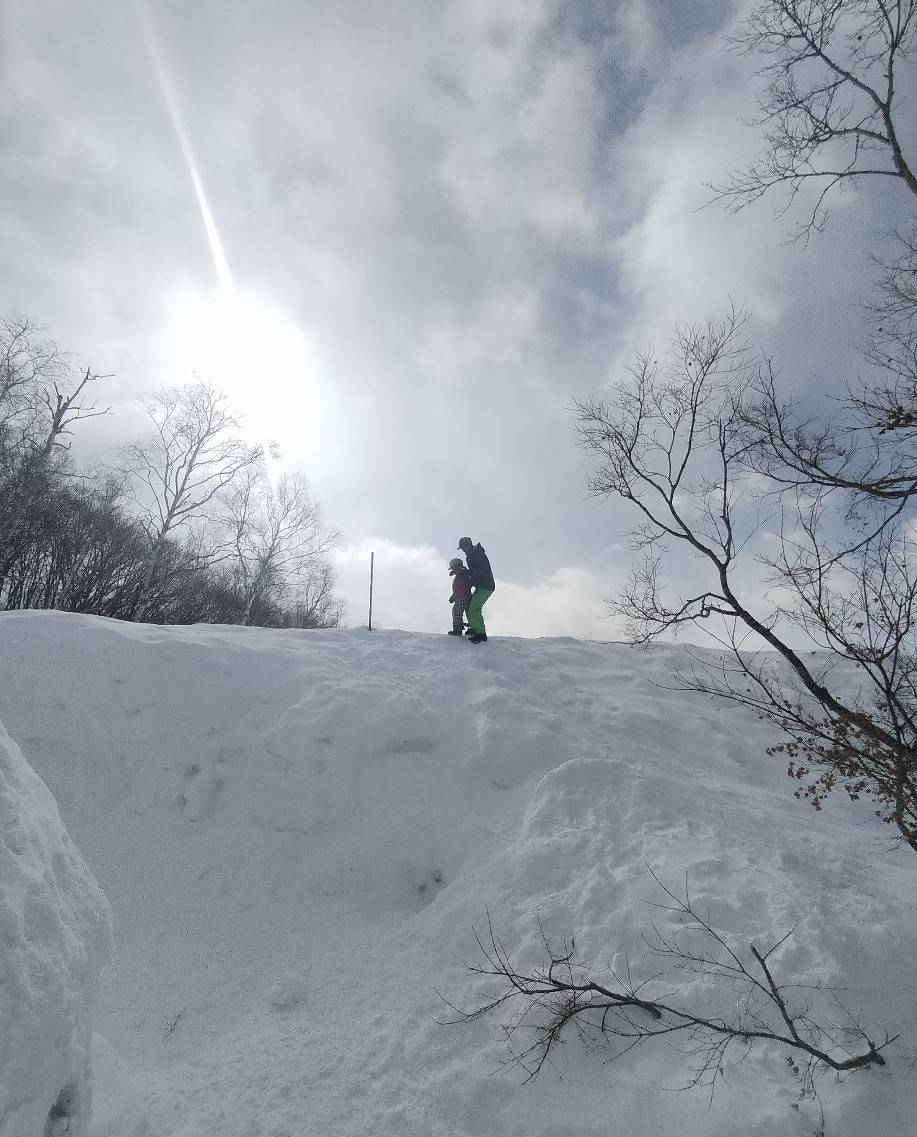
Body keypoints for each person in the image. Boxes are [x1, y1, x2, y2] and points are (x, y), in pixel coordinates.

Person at [457, 536, 494, 643]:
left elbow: (482, 569)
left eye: (464, 546)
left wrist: (469, 574)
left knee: (474, 609)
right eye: (462, 548)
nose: (464, 549)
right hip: (481, 585)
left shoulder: (476, 553)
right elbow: (475, 572)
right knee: (468, 605)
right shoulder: (470, 556)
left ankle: (481, 634)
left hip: (486, 585)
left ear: (469, 544)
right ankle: (474, 627)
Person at [447, 557, 471, 636]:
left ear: (456, 566)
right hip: (463, 596)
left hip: (462, 597)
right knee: (465, 612)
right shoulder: (461, 574)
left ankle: (457, 629)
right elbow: (459, 588)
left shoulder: (462, 574)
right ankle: (471, 628)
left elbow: (463, 587)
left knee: (457, 611)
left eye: (453, 568)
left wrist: (456, 596)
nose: (452, 570)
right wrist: (453, 596)